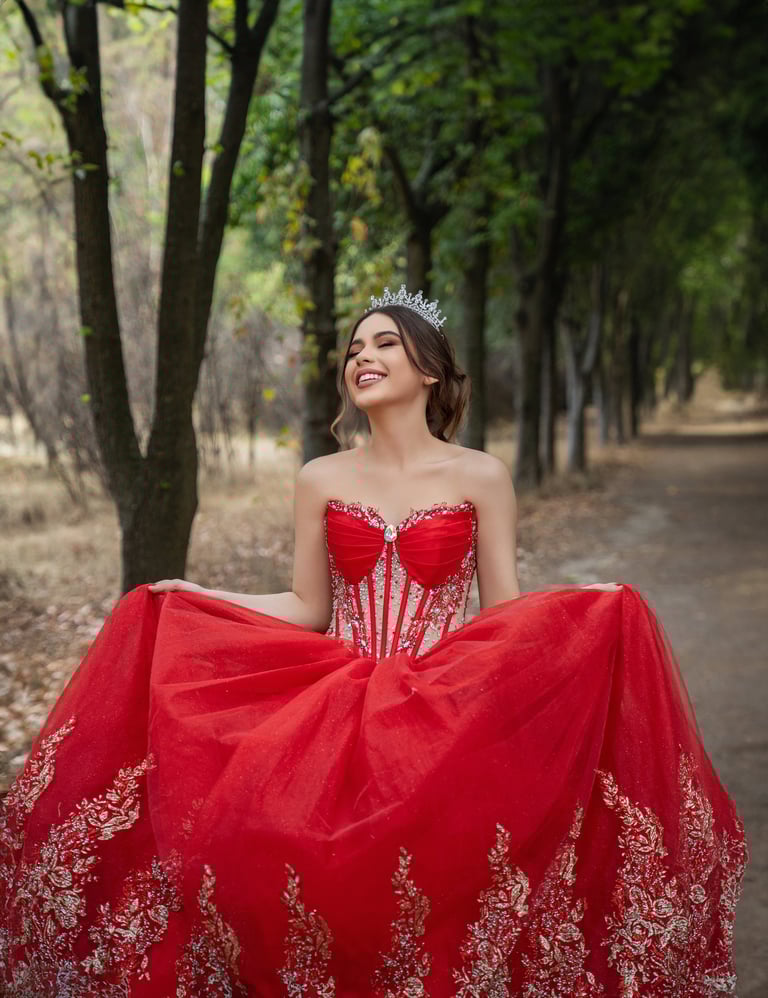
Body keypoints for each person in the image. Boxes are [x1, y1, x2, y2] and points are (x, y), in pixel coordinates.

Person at [0, 286, 747, 997]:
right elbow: (306, 607)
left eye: (385, 342)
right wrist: (200, 597)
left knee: (443, 881)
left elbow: (503, 614)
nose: (363, 356)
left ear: (426, 368)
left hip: (446, 701)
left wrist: (584, 607)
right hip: (335, 694)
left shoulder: (481, 475)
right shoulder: (320, 477)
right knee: (301, 868)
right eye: (355, 347)